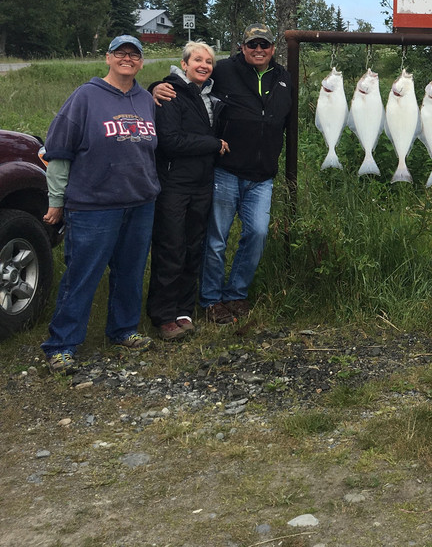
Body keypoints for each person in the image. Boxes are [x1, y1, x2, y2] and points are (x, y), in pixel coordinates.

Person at [154, 23, 291, 324]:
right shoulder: (224, 70)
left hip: (263, 175)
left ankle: (236, 293)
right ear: (242, 47)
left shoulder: (283, 78)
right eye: (252, 44)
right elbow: (189, 80)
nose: (258, 50)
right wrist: (156, 87)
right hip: (225, 171)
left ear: (273, 49)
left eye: (264, 45)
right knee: (216, 239)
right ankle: (211, 299)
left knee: (257, 233)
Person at [41, 35, 160, 374]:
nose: (127, 59)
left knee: (130, 272)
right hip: (94, 205)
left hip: (140, 201)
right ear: (108, 58)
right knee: (82, 275)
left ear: (141, 61)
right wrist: (56, 200)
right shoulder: (85, 97)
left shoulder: (144, 99)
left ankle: (123, 330)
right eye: (120, 53)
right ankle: (61, 344)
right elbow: (58, 152)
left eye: (133, 54)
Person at [146, 41, 229, 340]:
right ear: (184, 64)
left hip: (202, 183)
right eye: (197, 60)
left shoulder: (208, 95)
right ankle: (163, 315)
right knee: (171, 247)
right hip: (173, 184)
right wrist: (213, 144)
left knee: (194, 247)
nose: (204, 65)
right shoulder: (169, 93)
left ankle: (184, 309)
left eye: (209, 61)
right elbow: (169, 140)